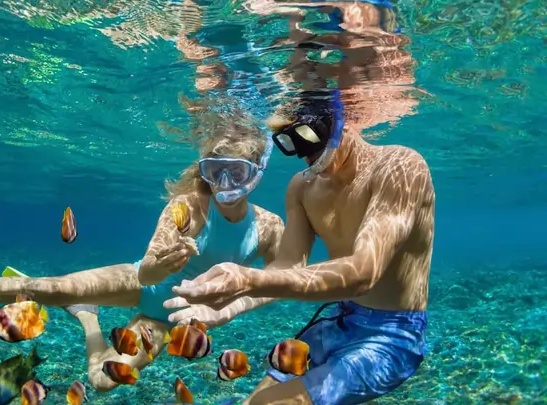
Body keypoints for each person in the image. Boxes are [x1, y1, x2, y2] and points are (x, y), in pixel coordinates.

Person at [0, 111, 285, 392]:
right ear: (203, 170)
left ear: (257, 173)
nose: (224, 182)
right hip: (139, 285)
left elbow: (282, 281)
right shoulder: (185, 208)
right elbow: (148, 274)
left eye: (237, 171)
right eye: (215, 170)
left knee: (101, 383)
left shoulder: (269, 227)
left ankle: (88, 320)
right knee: (45, 286)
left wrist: (227, 308)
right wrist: (157, 264)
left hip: (171, 322)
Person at [165, 2, 433, 405]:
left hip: (394, 336)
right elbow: (290, 268)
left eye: (309, 136)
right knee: (256, 400)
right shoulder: (302, 188)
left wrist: (248, 278)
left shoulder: (401, 166)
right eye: (290, 143)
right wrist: (229, 309)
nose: (305, 155)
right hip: (341, 321)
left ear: (338, 119)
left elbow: (365, 272)